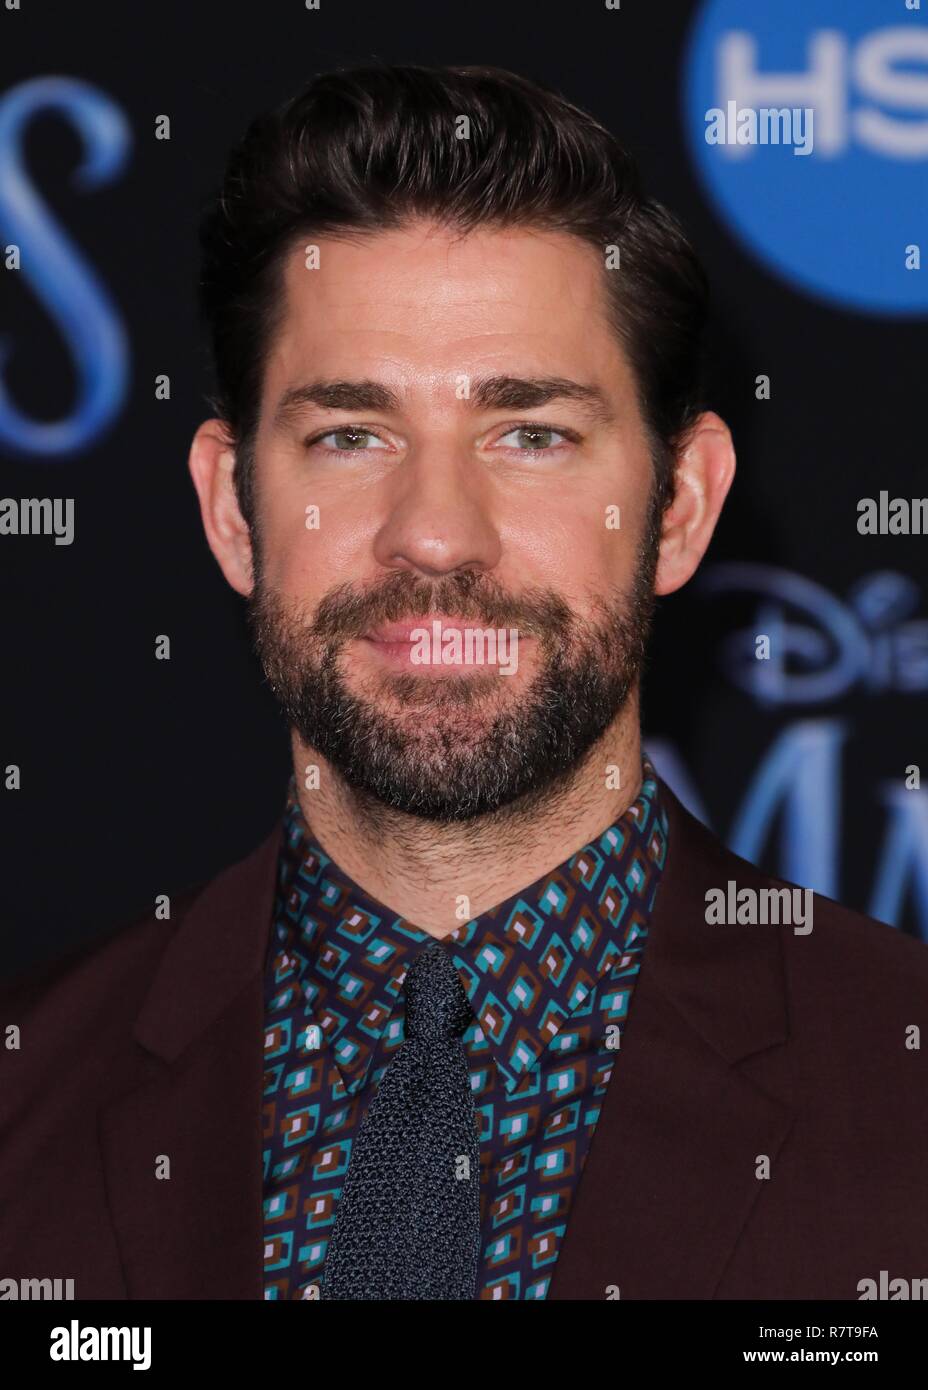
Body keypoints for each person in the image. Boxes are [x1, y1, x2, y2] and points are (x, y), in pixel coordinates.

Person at [2, 63, 926, 1303]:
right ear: (231, 508)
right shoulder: (25, 1096)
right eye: (351, 435)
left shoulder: (900, 1090)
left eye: (530, 434)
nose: (435, 534)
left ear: (678, 507)